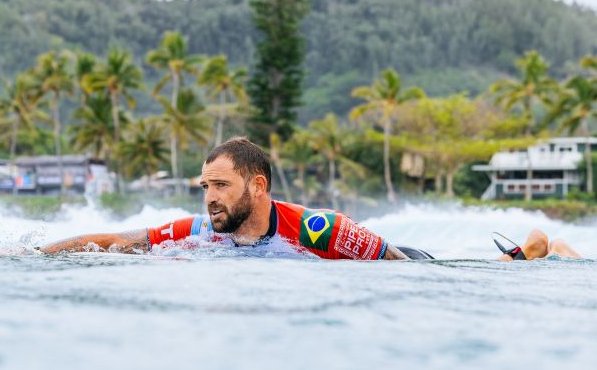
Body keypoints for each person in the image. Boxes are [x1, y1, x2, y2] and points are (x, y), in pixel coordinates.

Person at [40, 137, 582, 261]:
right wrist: (37, 254)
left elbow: (401, 269)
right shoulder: (202, 231)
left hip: (404, 259)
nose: (209, 197)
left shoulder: (320, 228)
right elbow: (117, 241)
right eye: (205, 186)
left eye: (221, 185)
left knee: (520, 256)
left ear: (258, 186)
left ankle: (530, 257)